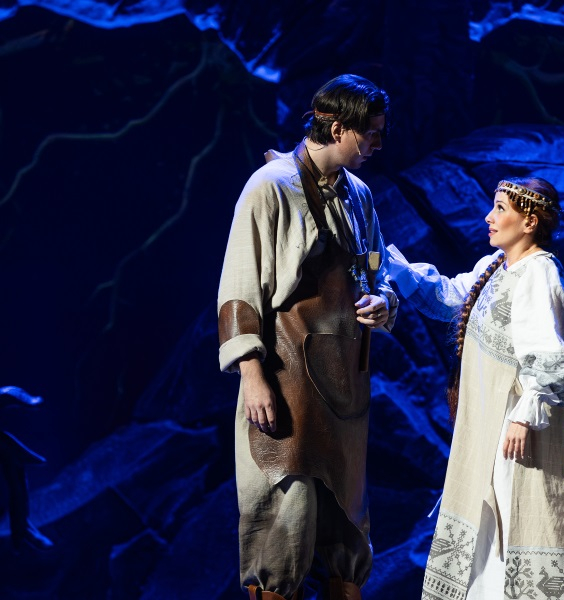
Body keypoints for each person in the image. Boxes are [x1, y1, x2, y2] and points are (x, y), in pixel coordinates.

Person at [217, 74, 398, 600]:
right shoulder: (269, 187)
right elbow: (240, 288)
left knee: (348, 532)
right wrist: (252, 375)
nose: (377, 144)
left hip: (345, 389)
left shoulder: (359, 194)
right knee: (284, 522)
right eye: (370, 133)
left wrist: (384, 301)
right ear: (337, 129)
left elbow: (379, 270)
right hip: (287, 383)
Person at [385, 177, 564, 599]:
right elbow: (451, 296)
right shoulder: (496, 265)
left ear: (529, 221)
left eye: (500, 209)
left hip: (515, 433)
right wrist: (395, 267)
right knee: (484, 533)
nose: (489, 217)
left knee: (511, 528)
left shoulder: (539, 273)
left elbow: (551, 357)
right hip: (487, 429)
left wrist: (525, 417)